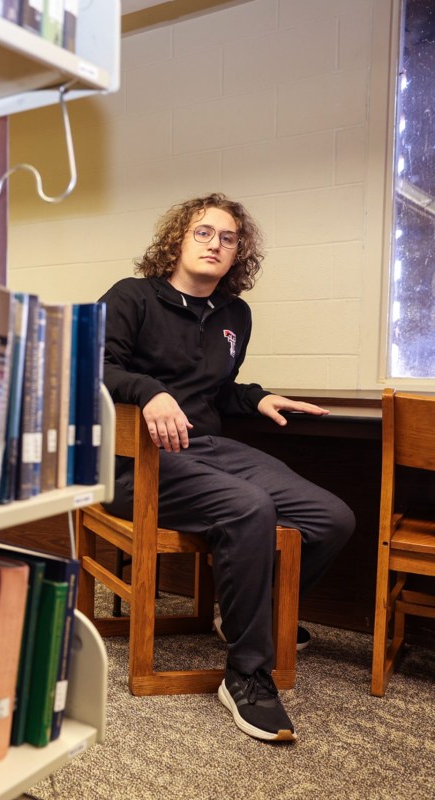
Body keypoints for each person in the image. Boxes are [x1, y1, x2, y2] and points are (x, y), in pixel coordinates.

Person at [99, 193, 355, 743]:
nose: (216, 244)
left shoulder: (235, 314)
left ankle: (244, 617)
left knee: (332, 518)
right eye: (203, 233)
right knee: (249, 508)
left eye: (229, 238)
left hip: (207, 450)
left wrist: (255, 398)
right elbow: (92, 363)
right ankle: (247, 672)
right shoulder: (132, 297)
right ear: (177, 241)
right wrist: (147, 392)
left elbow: (213, 389)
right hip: (135, 463)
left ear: (239, 252)